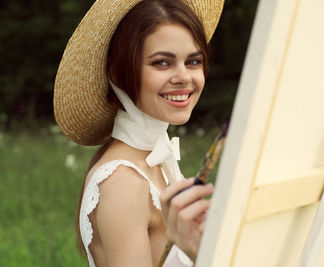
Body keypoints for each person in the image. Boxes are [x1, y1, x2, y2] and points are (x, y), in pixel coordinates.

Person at [53, 0, 224, 266]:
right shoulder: (123, 182)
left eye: (193, 61)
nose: (183, 77)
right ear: (117, 72)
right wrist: (201, 254)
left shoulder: (157, 160)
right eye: (162, 63)